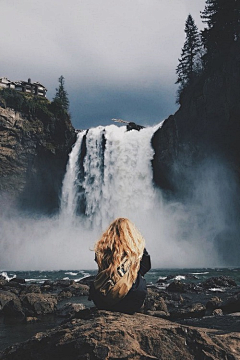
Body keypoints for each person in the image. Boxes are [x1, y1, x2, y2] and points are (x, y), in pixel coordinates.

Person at [89, 217, 151, 314]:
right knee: (139, 280)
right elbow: (146, 267)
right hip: (131, 300)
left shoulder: (102, 249)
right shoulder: (138, 249)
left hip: (103, 300)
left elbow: (100, 268)